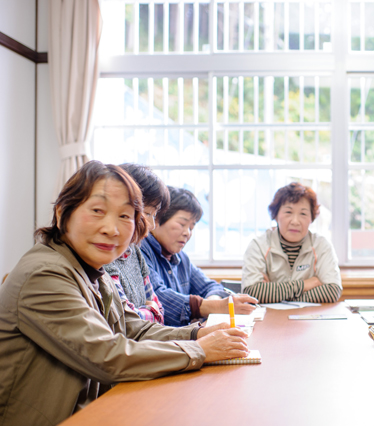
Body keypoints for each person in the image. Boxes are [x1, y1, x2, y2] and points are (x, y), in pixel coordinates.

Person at [0, 161, 249, 425]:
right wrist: (197, 350)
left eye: (124, 216)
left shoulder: (94, 271)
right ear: (63, 214)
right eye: (97, 210)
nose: (112, 228)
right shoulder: (45, 274)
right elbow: (106, 356)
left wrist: (196, 333)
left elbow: (134, 329)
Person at [141, 186, 258, 326]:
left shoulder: (180, 257)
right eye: (182, 224)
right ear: (157, 219)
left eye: (191, 227)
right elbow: (159, 299)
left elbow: (210, 286)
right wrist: (215, 306)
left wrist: (214, 302)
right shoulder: (141, 250)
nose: (187, 233)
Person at [242, 182, 342, 303]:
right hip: (270, 319)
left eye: (303, 214)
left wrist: (275, 294)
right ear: (276, 215)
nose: (295, 221)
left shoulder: (321, 245)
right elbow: (252, 292)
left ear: (312, 218)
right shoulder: (258, 245)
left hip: (310, 319)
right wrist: (305, 285)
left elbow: (332, 291)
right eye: (288, 212)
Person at [104, 163, 169, 324]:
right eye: (148, 214)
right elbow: (127, 321)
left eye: (154, 216)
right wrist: (150, 310)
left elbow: (160, 312)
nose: (152, 225)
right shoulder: (106, 255)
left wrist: (148, 311)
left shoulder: (134, 251)